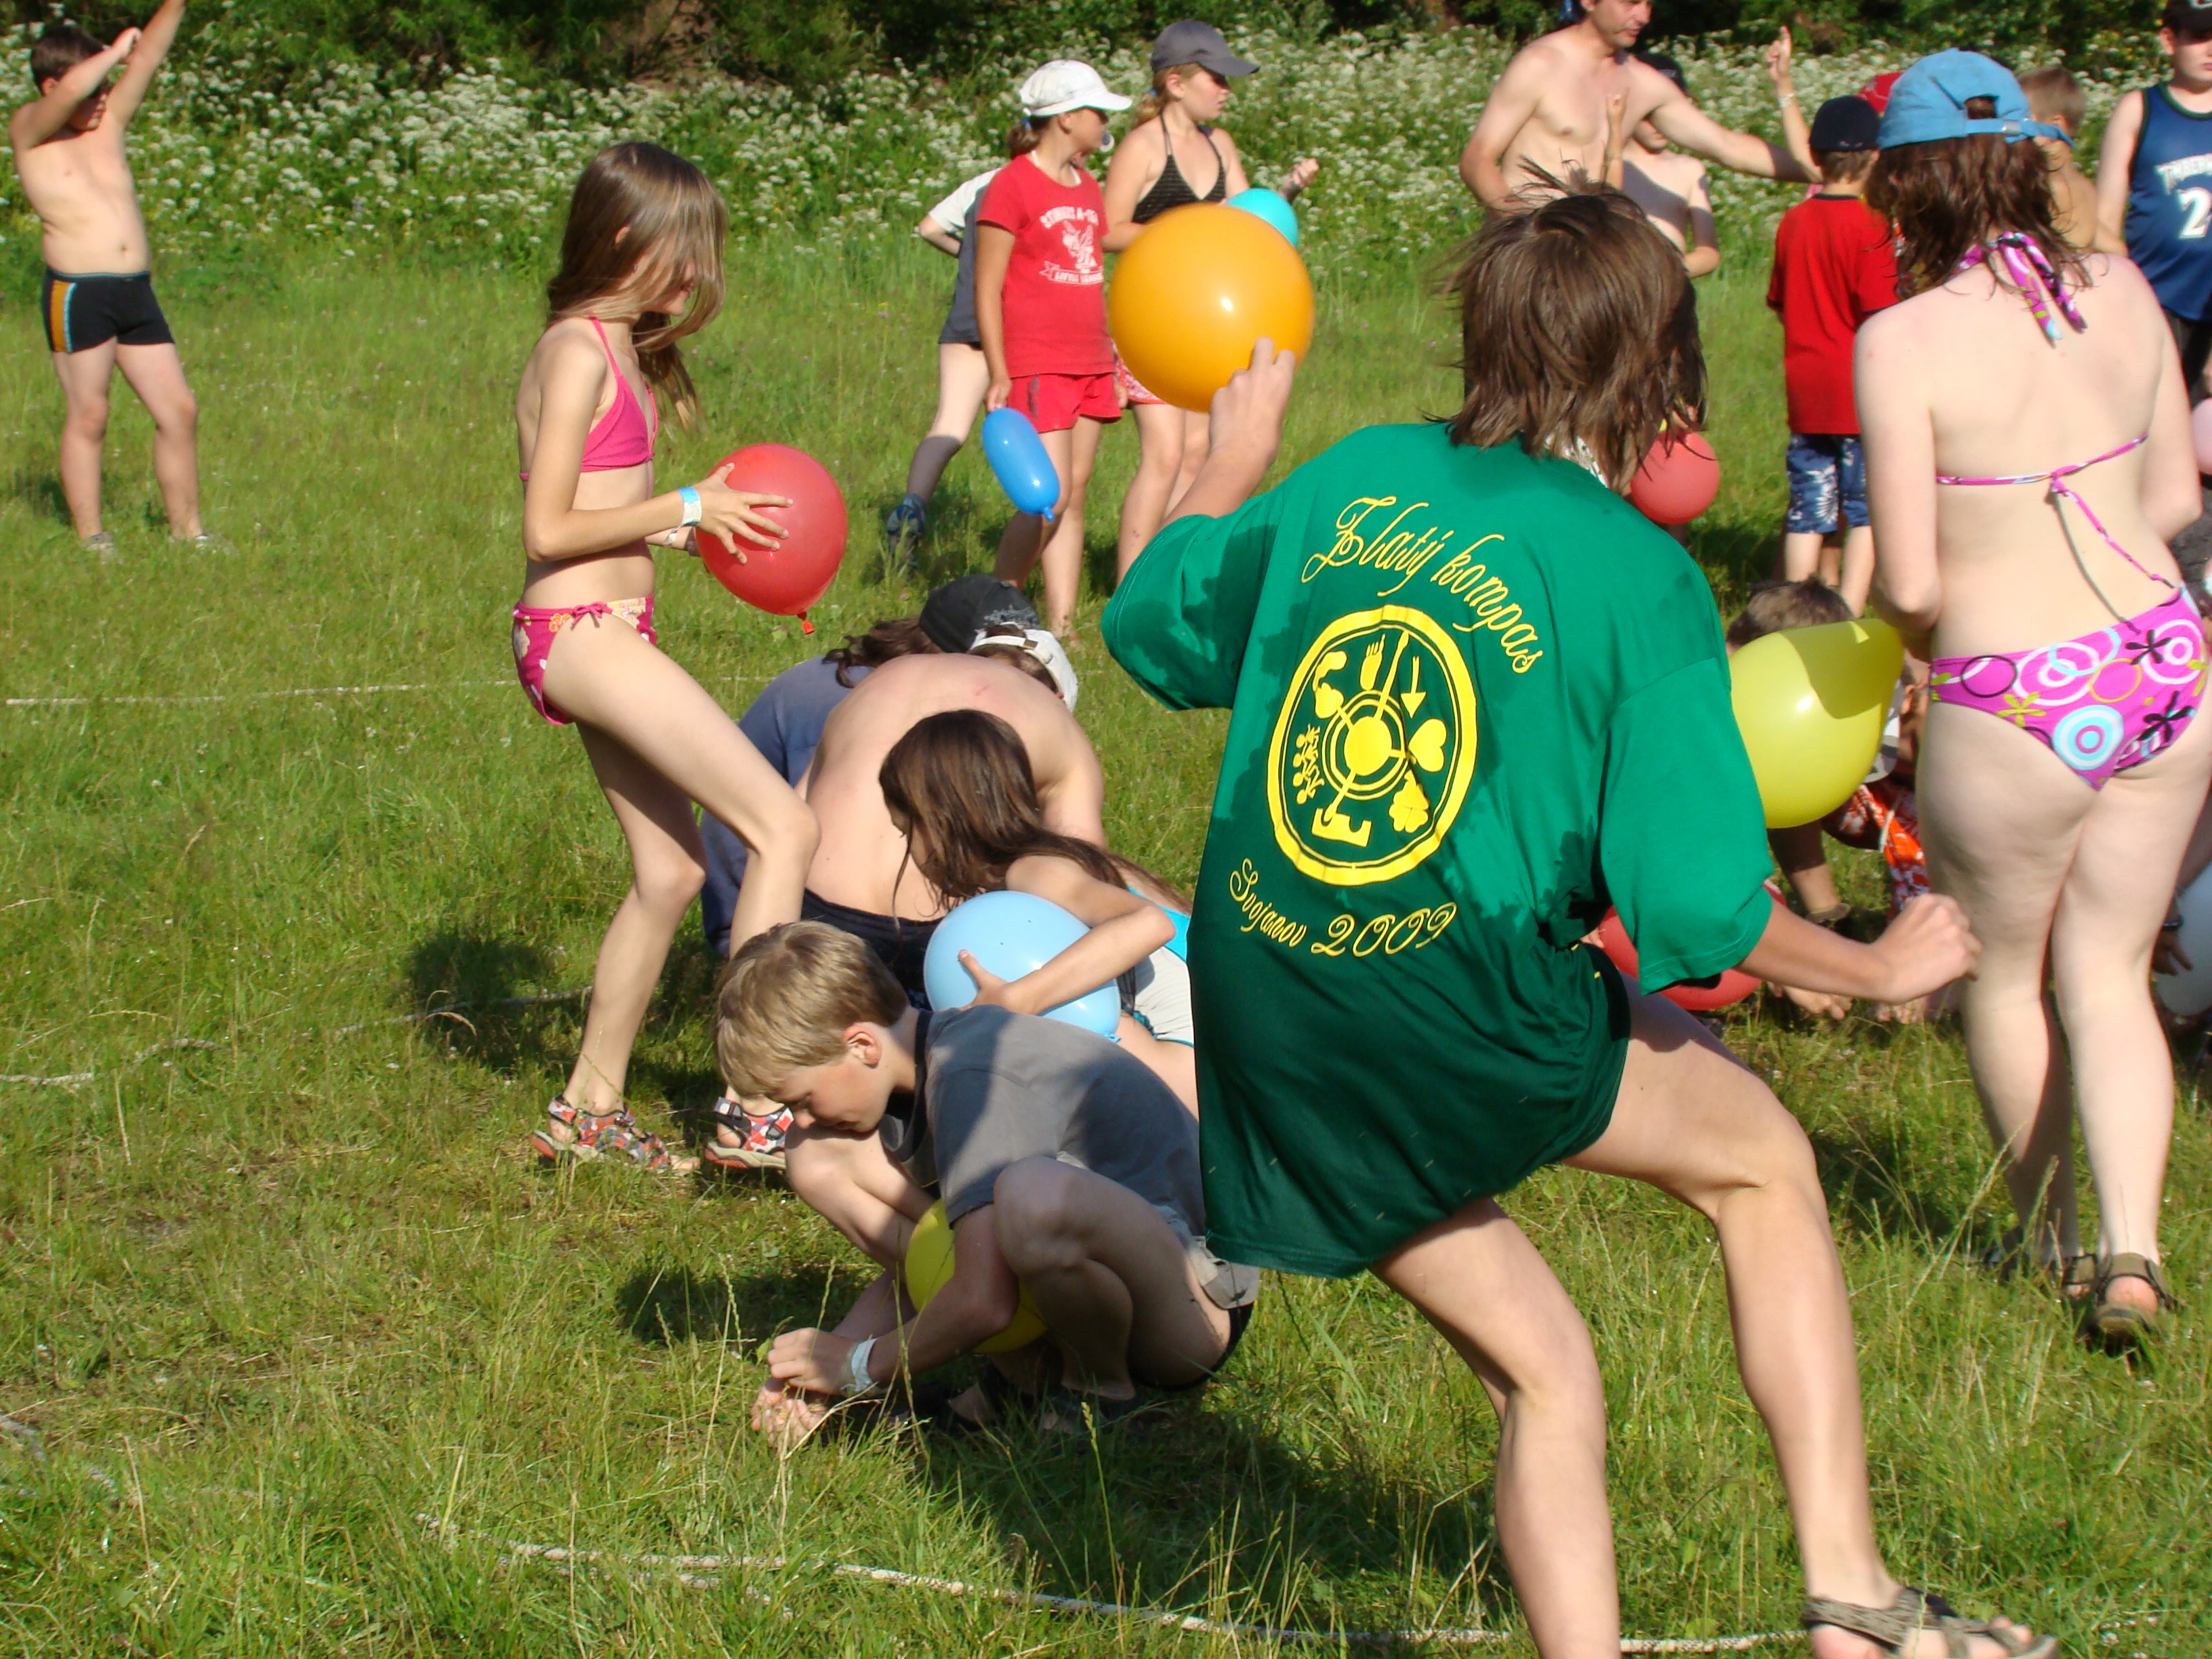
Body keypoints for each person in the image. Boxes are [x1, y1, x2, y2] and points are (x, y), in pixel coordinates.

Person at [1106, 187, 2053, 1659]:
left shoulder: (1353, 475)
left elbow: (1148, 625)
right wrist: (1872, 966)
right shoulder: (1639, 575)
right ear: (1659, 366)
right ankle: (1853, 1599)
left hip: (1265, 996)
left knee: (1545, 1368)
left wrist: (1227, 460)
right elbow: (1698, 913)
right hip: (1449, 1003)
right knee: (1764, 1165)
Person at [1861, 53, 2211, 1349]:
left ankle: (2051, 1247)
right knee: (2108, 971)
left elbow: (1907, 583)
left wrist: (1910, 644)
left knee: (2003, 977)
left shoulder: (1900, 341)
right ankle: (2133, 1253)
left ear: (1902, 186)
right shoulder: (2119, 289)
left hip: (2014, 691)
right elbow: (2171, 500)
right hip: (2162, 660)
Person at [511, 142, 817, 1174]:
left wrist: (685, 531)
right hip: (581, 633)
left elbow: (602, 512)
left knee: (673, 871)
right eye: (684, 254)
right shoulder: (575, 352)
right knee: (783, 825)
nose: (696, 278)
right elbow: (547, 529)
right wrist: (684, 500)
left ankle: (588, 1111)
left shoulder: (616, 349)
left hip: (603, 630)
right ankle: (756, 1103)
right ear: (624, 238)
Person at [719, 924, 1256, 1441]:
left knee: (1034, 1196)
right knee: (817, 1155)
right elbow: (932, 1256)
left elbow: (985, 1299)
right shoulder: (915, 1079)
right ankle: (1024, 1381)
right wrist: (822, 1370)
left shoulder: (971, 1071)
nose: (801, 1118)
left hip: (1191, 1312)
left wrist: (860, 1365)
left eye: (802, 1100)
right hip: (1105, 1288)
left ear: (862, 1045)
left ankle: (1100, 1396)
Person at [698, 575, 1044, 961]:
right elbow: (823, 842)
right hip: (765, 913)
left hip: (765, 893)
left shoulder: (859, 680)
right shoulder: (861, 708)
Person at [880, 709, 1198, 1111]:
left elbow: (1149, 923)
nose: (912, 852)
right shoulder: (1067, 860)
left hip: (1188, 1078)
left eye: (907, 831)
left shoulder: (1032, 870)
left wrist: (1018, 1000)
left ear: (938, 823)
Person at [1102, 20, 1318, 582]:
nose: (1227, 90)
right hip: (1154, 321)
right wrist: (1184, 227)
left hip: (1209, 327)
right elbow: (1108, 230)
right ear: (1176, 83)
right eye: (1217, 78)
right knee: (1164, 455)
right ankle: (1128, 584)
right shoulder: (1143, 146)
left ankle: (1166, 574)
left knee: (1200, 453)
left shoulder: (1220, 144)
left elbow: (1245, 225)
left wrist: (1287, 192)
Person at [9, 2, 209, 557]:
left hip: (134, 291)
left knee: (179, 411)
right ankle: (92, 537)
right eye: (94, 88)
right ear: (52, 86)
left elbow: (149, 56)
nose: (103, 98)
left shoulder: (108, 122)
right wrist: (113, 52)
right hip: (79, 292)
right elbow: (77, 88)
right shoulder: (30, 130)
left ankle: (189, 534)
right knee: (91, 414)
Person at [977, 60, 1129, 636]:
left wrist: (1111, 358)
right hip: (1038, 360)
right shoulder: (1011, 184)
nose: (1105, 122)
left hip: (1090, 359)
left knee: (1077, 491)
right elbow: (987, 287)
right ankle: (999, 605)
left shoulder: (1086, 185)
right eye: (1097, 112)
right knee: (1049, 495)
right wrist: (999, 370)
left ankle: (1064, 625)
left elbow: (1090, 276)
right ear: (1065, 118)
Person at [1458, 2, 1813, 212]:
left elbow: (1728, 146)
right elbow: (1477, 160)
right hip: (1524, 255)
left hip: (1593, 255)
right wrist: (1524, 233)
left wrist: (1826, 170)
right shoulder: (1541, 64)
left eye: (1647, 4)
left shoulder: (1642, 82)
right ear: (1589, 1)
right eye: (1630, 2)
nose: (1643, 16)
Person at [1767, 93, 1899, 615]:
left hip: (1806, 389)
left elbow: (1781, 303)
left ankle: (1793, 611)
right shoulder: (1873, 227)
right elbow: (1881, 317)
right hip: (1860, 390)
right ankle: (1849, 608)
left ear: (1816, 158)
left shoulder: (1793, 221)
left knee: (1809, 505)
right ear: (1873, 157)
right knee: (1864, 507)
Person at [882, 162, 1004, 567]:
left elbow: (929, 227)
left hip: (966, 318)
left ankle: (910, 510)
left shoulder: (983, 182)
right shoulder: (1044, 184)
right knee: (1034, 434)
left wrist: (969, 254)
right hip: (1014, 323)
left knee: (949, 426)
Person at [2096, 0, 2212, 401]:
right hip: (2158, 299)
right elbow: (2103, 222)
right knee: (2155, 417)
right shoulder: (2140, 109)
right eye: (2199, 36)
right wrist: (2127, 293)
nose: (2211, 49)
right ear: (2169, 40)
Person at [1601, 50, 1719, 278]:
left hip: (1671, 287)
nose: (1661, 125)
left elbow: (1708, 253)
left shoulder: (1689, 169)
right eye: (1651, 114)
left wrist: (1665, 274)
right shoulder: (1608, 165)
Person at [2018, 68, 2112, 255]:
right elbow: (2114, 248)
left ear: (2056, 125)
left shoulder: (2047, 187)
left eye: (2023, 119)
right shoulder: (2085, 187)